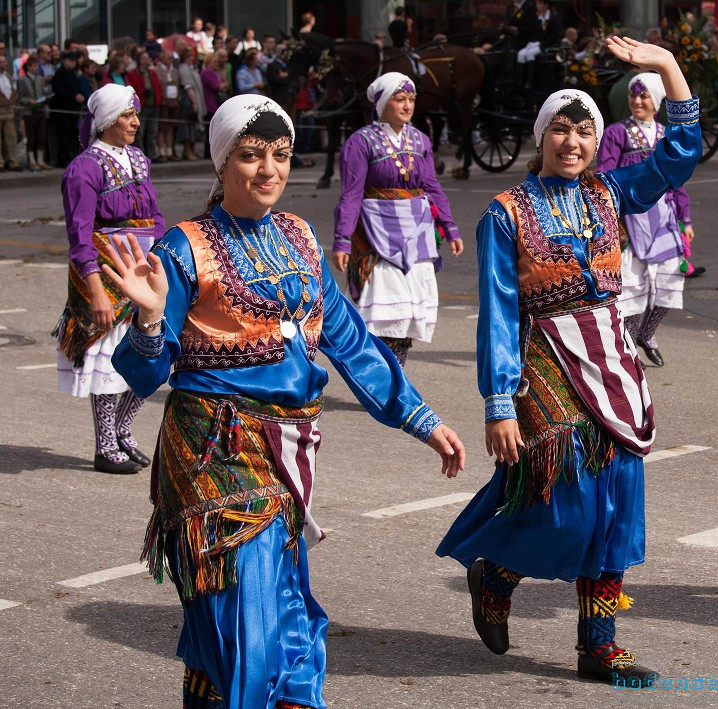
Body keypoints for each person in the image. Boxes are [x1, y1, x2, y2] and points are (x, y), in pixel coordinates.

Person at [106, 94, 466, 708]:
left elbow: (350, 341)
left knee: (276, 612)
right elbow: (142, 375)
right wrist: (145, 319)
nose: (268, 169)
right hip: (213, 455)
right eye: (250, 156)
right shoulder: (183, 248)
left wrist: (421, 419)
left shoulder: (299, 236)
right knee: (251, 622)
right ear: (222, 165)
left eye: (279, 155)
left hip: (289, 451)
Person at [437, 36, 701, 683]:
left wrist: (666, 66)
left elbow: (681, 154)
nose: (574, 141)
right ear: (541, 136)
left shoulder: (611, 192)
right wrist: (498, 403)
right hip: (545, 358)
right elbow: (499, 312)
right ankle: (497, 572)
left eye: (585, 130)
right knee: (565, 497)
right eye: (562, 128)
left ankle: (598, 645)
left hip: (613, 359)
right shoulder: (507, 213)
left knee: (616, 501)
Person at [53, 84, 165, 474]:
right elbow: (79, 235)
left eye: (135, 114)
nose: (135, 122)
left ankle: (123, 428)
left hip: (141, 269)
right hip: (107, 270)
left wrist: (163, 257)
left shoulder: (139, 158)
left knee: (152, 351)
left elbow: (155, 215)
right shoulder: (83, 168)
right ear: (105, 122)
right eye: (126, 116)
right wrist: (96, 291)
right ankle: (105, 444)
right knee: (110, 359)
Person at [331, 72, 464, 367]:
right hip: (376, 232)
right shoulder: (360, 142)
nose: (407, 106)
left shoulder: (420, 140)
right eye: (399, 99)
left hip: (417, 231)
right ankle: (382, 375)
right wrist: (342, 239)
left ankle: (395, 374)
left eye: (411, 100)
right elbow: (351, 194)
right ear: (381, 105)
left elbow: (432, 187)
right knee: (387, 311)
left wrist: (449, 227)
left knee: (411, 310)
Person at [597, 72, 692, 367]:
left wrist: (685, 219)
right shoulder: (617, 133)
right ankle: (630, 346)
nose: (637, 101)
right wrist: (614, 216)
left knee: (670, 279)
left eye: (643, 96)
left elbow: (678, 179)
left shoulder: (666, 134)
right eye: (633, 96)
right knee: (633, 284)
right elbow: (605, 176)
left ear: (657, 100)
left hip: (664, 217)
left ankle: (648, 334)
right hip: (631, 217)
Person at [18, 56, 50, 170]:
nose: (37, 68)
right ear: (29, 67)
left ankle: (40, 160)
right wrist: (28, 101)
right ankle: (31, 160)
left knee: (41, 136)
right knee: (31, 136)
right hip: (29, 112)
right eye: (35, 66)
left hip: (40, 110)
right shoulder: (22, 80)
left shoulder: (40, 79)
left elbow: (44, 92)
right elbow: (20, 97)